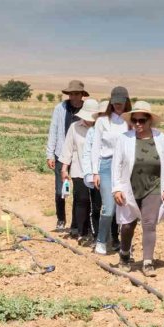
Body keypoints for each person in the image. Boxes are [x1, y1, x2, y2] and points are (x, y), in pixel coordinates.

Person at [112, 101, 164, 277]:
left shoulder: (161, 139)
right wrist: (116, 188)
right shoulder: (124, 139)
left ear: (150, 121)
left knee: (149, 224)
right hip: (129, 188)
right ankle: (124, 255)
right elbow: (116, 165)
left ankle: (148, 262)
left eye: (142, 120)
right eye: (135, 120)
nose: (138, 124)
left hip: (153, 187)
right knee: (127, 225)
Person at [90, 86, 131, 254]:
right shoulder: (102, 121)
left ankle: (123, 244)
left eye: (121, 103)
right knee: (108, 206)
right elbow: (96, 147)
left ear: (126, 102)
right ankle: (101, 240)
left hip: (125, 166)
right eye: (115, 103)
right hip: (106, 165)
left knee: (126, 206)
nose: (118, 106)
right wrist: (95, 171)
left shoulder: (131, 121)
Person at [45, 80, 88, 232]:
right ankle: (61, 218)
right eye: (71, 93)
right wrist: (50, 154)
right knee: (60, 189)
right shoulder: (60, 108)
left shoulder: (87, 110)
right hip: (60, 154)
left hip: (79, 157)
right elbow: (54, 130)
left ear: (82, 95)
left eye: (76, 93)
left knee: (79, 191)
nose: (73, 96)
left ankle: (76, 224)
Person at [60, 98, 102, 242]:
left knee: (97, 203)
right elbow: (68, 149)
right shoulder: (74, 127)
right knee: (82, 200)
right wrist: (64, 169)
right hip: (79, 169)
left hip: (97, 171)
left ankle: (96, 233)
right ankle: (82, 232)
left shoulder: (101, 129)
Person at [81, 100, 108, 242]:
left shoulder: (118, 131)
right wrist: (90, 174)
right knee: (97, 207)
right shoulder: (92, 132)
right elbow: (87, 154)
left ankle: (112, 237)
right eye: (101, 114)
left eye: (106, 114)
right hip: (96, 175)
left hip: (112, 175)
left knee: (112, 209)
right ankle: (97, 235)